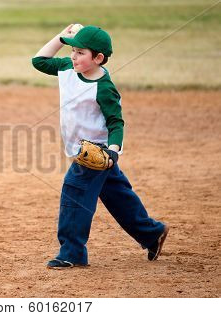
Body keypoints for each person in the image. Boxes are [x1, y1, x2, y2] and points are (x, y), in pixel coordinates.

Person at [31, 24, 169, 269]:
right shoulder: (66, 68)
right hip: (82, 150)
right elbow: (39, 61)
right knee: (118, 196)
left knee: (73, 194)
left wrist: (113, 150)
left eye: (81, 52)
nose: (73, 55)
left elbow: (116, 122)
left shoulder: (104, 88)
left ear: (98, 58)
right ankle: (151, 233)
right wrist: (63, 37)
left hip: (96, 153)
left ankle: (72, 252)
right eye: (73, 50)